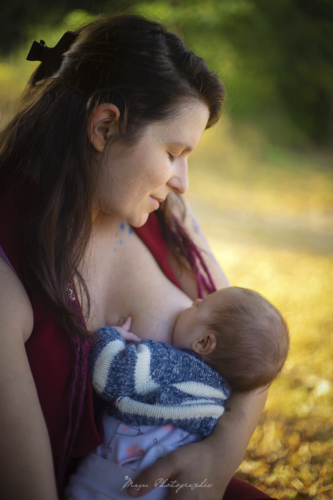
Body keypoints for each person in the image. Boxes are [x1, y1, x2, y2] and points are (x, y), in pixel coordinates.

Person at [0, 13, 278, 500]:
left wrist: (218, 458)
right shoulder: (7, 268)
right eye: (173, 152)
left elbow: (252, 350)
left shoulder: (168, 215)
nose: (182, 181)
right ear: (105, 126)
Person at [65, 286, 289, 499]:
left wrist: (109, 336)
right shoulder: (219, 398)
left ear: (204, 342)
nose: (196, 300)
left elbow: (112, 375)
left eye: (200, 306)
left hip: (108, 484)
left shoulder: (169, 364)